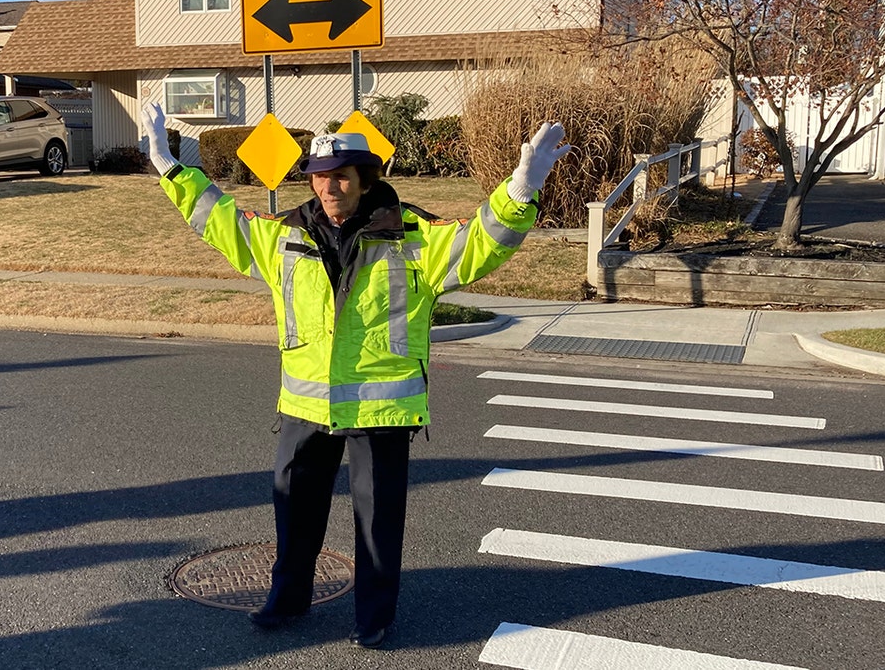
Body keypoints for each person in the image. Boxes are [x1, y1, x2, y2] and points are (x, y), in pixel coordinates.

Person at [140, 102, 569, 649]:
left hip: (381, 409)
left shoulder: (414, 238)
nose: (328, 187)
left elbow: (480, 243)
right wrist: (170, 167)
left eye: (340, 176)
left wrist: (519, 194)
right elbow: (217, 217)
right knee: (294, 512)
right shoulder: (281, 237)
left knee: (377, 522)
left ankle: (374, 615)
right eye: (319, 177)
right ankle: (287, 599)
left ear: (364, 180)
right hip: (306, 405)